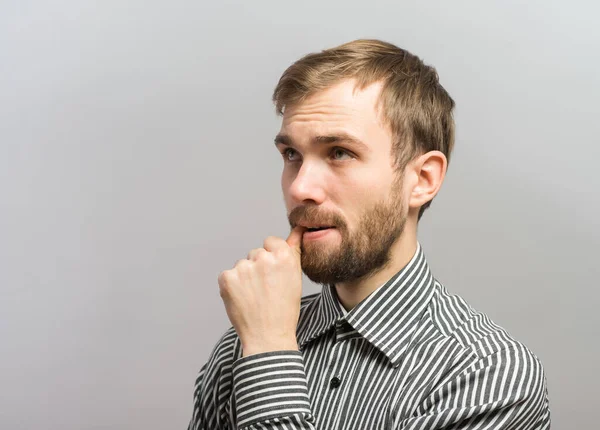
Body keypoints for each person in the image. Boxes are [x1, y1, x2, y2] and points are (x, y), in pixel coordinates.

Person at [187, 39, 550, 430]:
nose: (299, 188)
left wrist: (269, 352)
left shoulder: (489, 377)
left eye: (339, 152)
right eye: (292, 154)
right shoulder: (244, 340)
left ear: (422, 180)